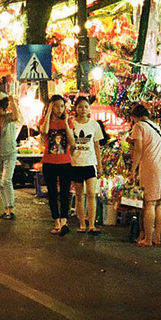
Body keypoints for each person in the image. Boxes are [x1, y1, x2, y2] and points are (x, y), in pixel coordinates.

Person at [128, 103, 161, 246]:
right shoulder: (154, 126)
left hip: (151, 164)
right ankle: (157, 238)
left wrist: (133, 169)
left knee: (149, 203)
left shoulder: (139, 126)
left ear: (135, 116)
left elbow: (139, 149)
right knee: (159, 203)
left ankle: (147, 239)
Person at [69, 96, 107, 234]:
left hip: (90, 163)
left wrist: (100, 166)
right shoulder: (71, 124)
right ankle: (81, 223)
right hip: (76, 163)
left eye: (85, 106)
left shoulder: (94, 125)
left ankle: (91, 224)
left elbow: (97, 147)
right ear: (76, 109)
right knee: (79, 195)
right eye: (80, 107)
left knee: (91, 194)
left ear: (89, 108)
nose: (83, 109)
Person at [37, 94, 73, 234]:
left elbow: (71, 141)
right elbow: (44, 131)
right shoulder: (44, 121)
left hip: (65, 161)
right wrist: (48, 114)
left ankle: (64, 221)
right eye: (56, 106)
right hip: (49, 162)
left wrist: (65, 124)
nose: (60, 109)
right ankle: (56, 221)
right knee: (52, 192)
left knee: (65, 192)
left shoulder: (68, 121)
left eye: (62, 106)